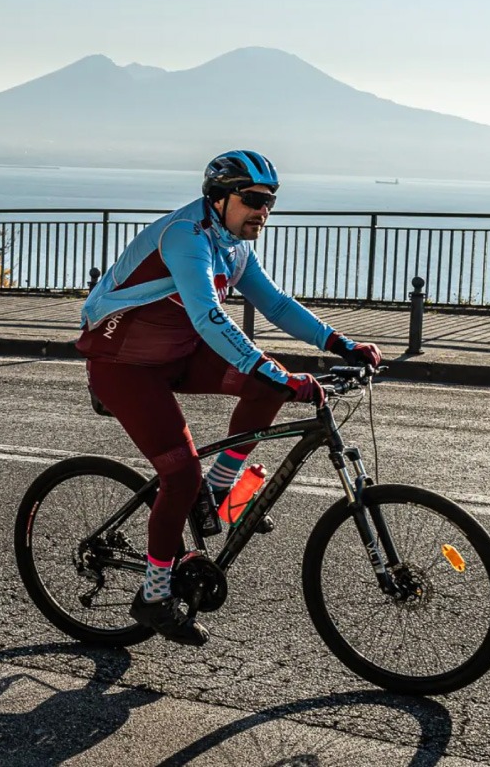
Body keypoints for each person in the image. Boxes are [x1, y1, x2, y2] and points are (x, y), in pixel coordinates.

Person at [77, 149, 381, 646]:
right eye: (254, 199)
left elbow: (276, 303)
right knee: (180, 474)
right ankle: (153, 596)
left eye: (271, 202)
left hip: (175, 352)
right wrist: (276, 370)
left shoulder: (235, 244)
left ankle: (218, 491)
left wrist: (339, 343)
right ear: (218, 199)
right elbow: (208, 317)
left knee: (265, 386)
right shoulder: (186, 236)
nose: (264, 211)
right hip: (123, 363)